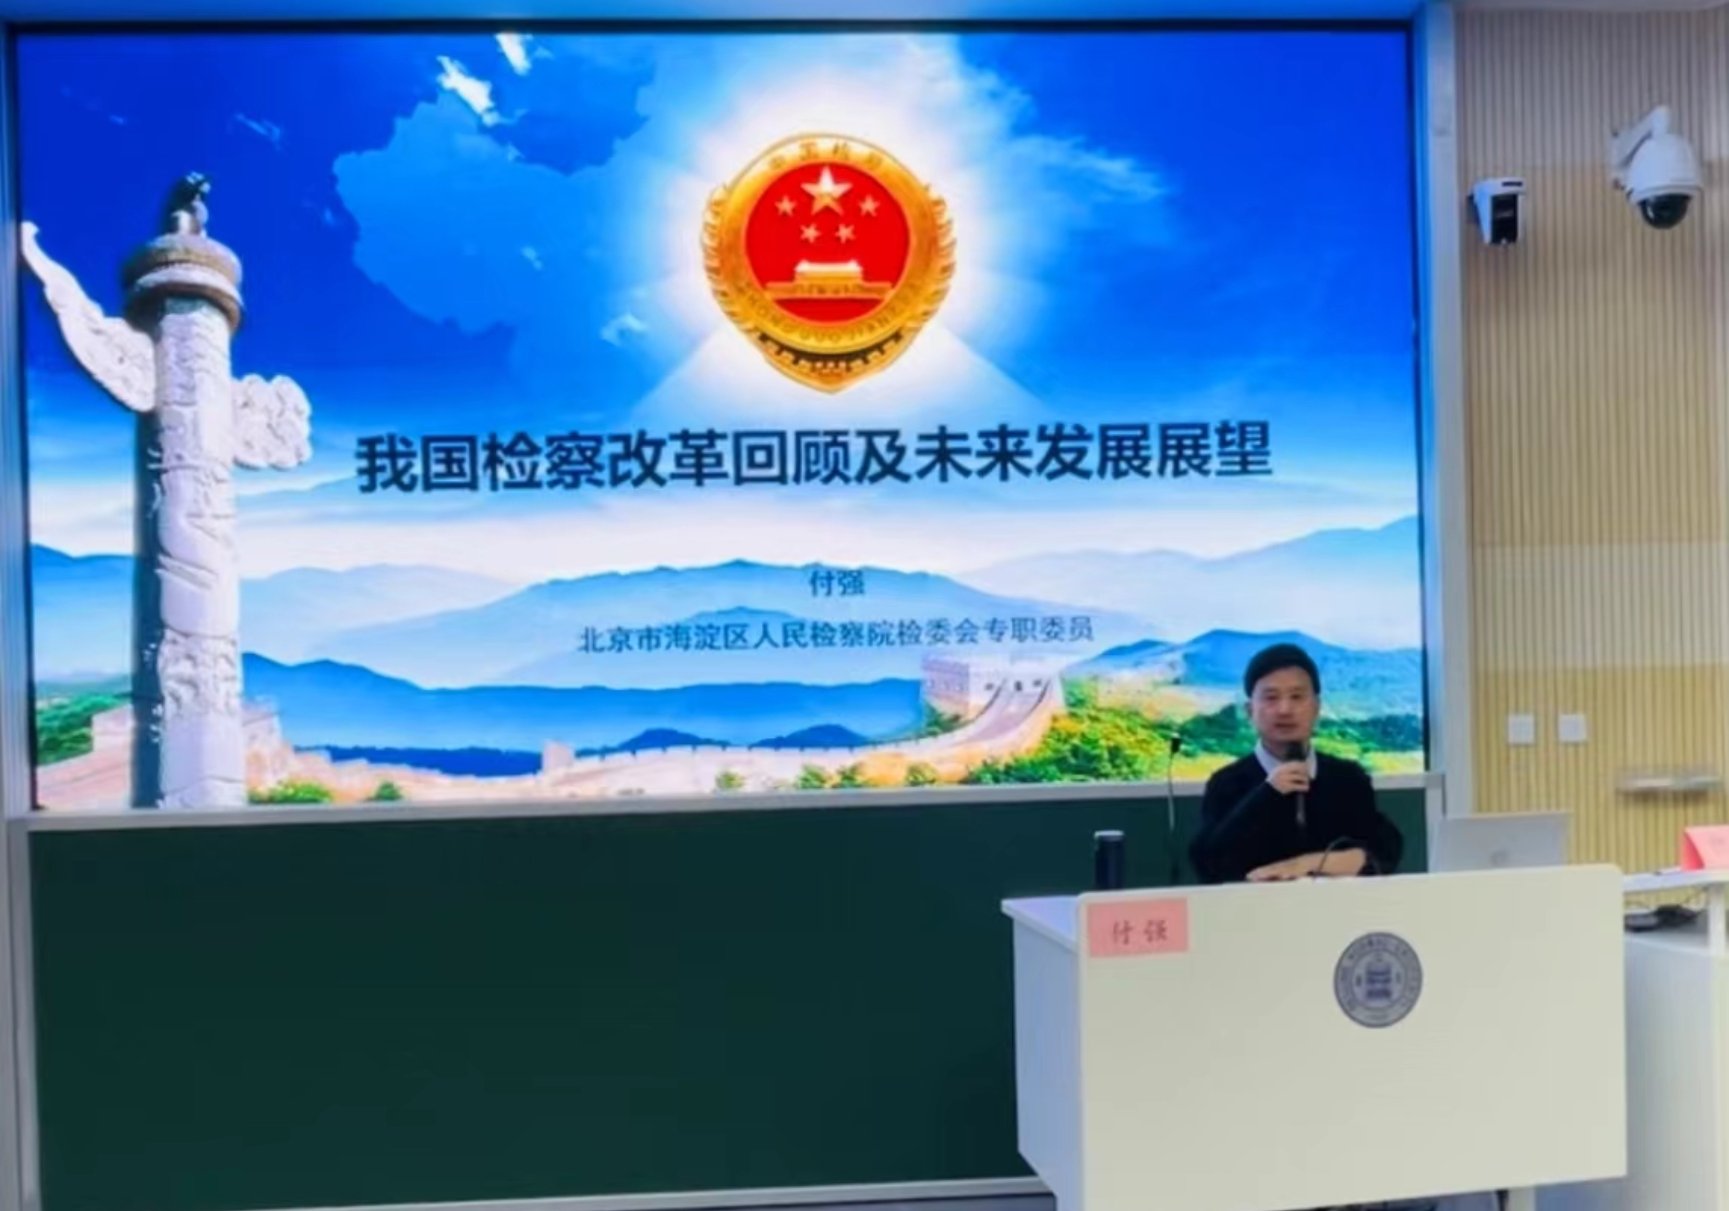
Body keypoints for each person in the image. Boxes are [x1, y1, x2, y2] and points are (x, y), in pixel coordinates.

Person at [1189, 642, 1402, 884]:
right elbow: (1209, 864)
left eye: (1297, 697)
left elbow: (1381, 853)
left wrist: (1303, 865)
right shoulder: (1226, 782)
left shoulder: (1347, 778)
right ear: (1249, 711)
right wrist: (1267, 793)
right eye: (1271, 698)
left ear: (1316, 708)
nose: (1285, 709)